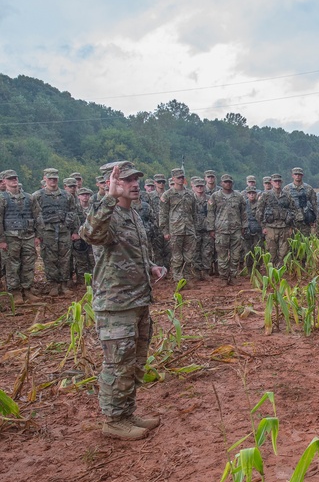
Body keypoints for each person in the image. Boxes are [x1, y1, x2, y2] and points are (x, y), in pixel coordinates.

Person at [80, 161, 167, 441]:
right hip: (116, 305)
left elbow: (131, 253)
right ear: (113, 184)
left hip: (138, 301)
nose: (134, 184)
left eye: (136, 179)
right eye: (127, 180)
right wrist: (109, 198)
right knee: (118, 364)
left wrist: (152, 266)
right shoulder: (109, 213)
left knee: (133, 362)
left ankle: (127, 413)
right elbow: (91, 234)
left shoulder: (133, 214)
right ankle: (114, 420)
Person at [34, 169, 80, 296]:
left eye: (55, 179)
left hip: (64, 231)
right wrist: (37, 234)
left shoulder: (67, 196)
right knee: (49, 258)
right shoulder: (37, 196)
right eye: (50, 179)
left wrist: (74, 230)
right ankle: (54, 284)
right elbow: (35, 215)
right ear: (45, 179)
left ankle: (64, 284)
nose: (53, 181)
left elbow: (73, 213)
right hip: (47, 232)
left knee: (65, 258)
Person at [0, 169, 42, 302]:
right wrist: (1, 240)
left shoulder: (29, 198)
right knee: (12, 265)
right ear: (4, 181)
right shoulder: (2, 199)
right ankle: (15, 292)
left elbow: (37, 216)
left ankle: (27, 289)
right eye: (10, 179)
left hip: (28, 236)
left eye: (15, 178)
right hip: (10, 237)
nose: (14, 181)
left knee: (28, 263)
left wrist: (38, 235)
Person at [158, 168, 198, 282]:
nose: (181, 179)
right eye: (178, 177)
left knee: (189, 256)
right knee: (176, 257)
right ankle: (178, 279)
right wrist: (165, 231)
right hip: (175, 230)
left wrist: (194, 228)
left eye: (182, 177)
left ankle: (187, 278)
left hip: (189, 229)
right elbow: (163, 214)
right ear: (173, 179)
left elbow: (194, 213)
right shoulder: (168, 195)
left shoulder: (190, 194)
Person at [208, 174, 248, 285]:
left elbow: (243, 213)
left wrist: (244, 226)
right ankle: (223, 278)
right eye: (225, 182)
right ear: (221, 183)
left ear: (232, 183)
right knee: (222, 256)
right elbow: (211, 213)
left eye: (229, 182)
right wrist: (211, 229)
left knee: (235, 255)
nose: (228, 184)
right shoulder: (215, 196)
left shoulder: (239, 197)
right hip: (221, 230)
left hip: (236, 230)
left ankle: (234, 277)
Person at [257, 174, 295, 264]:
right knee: (271, 253)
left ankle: (280, 273)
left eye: (279, 181)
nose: (277, 183)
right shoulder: (266, 195)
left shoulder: (287, 195)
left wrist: (291, 227)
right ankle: (271, 275)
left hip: (284, 227)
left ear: (281, 182)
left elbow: (293, 210)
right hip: (271, 228)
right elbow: (259, 212)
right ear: (271, 182)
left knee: (284, 253)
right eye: (275, 181)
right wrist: (263, 227)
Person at [284, 167, 317, 236]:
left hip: (305, 222)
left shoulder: (309, 188)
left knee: (305, 242)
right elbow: (283, 206)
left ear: (302, 175)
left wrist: (315, 220)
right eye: (295, 174)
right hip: (292, 222)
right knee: (292, 245)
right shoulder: (286, 189)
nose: (297, 176)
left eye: (299, 174)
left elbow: (314, 205)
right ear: (292, 175)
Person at [192, 178, 212, 280]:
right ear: (193, 187)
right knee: (195, 251)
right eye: (197, 186)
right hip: (195, 229)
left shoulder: (209, 199)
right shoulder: (191, 199)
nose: (200, 188)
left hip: (207, 229)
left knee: (207, 251)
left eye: (201, 186)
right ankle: (197, 272)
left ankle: (206, 272)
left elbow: (213, 214)